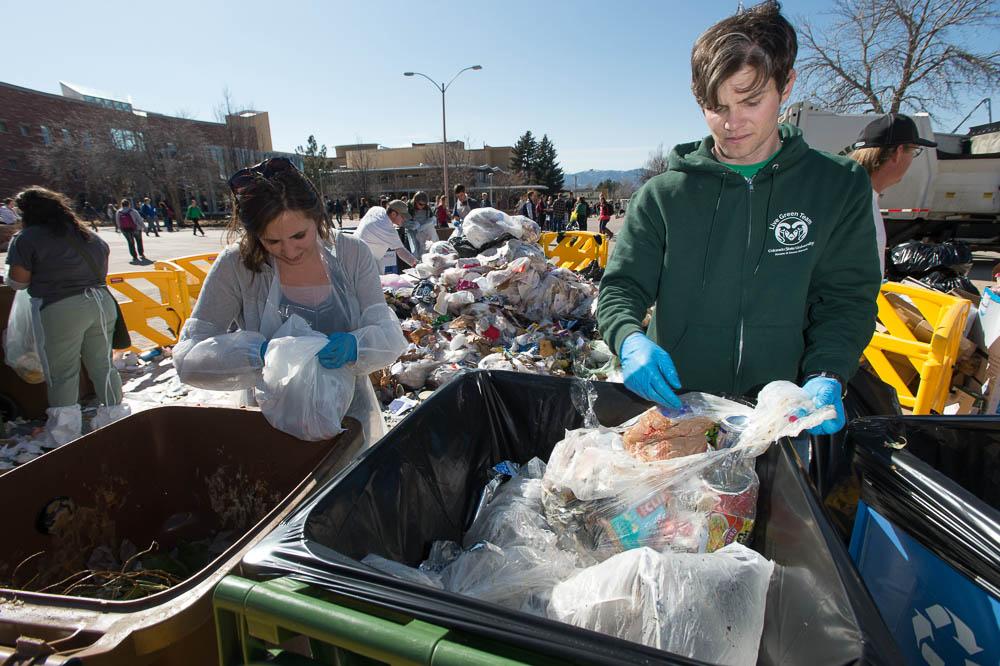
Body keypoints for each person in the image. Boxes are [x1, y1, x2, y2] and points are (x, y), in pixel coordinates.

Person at [597, 0, 880, 438]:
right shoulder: (663, 196)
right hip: (680, 410)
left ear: (786, 85)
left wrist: (827, 372)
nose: (732, 123)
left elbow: (846, 298)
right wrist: (629, 339)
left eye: (751, 100)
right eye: (716, 106)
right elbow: (621, 288)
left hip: (783, 416)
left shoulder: (838, 186)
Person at [173, 157, 407, 445]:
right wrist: (255, 354)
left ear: (317, 217)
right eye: (272, 241)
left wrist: (356, 346)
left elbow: (388, 335)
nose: (290, 251)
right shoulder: (236, 266)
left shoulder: (351, 255)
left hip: (348, 416)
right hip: (270, 422)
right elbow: (189, 357)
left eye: (299, 235)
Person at [5, 187, 129, 445]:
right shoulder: (89, 236)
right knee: (102, 365)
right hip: (101, 303)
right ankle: (115, 419)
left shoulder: (27, 238)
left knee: (62, 371)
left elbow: (18, 282)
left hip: (60, 307)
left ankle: (65, 433)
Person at [849, 113, 936, 276]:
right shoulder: (860, 206)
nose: (911, 160)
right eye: (914, 152)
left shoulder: (854, 196)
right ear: (898, 152)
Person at [355, 200, 419, 274]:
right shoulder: (388, 230)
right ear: (393, 214)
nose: (404, 219)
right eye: (402, 216)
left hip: (356, 253)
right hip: (364, 263)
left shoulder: (377, 209)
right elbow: (401, 252)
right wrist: (418, 265)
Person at [403, 191, 436, 257]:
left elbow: (432, 218)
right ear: (415, 201)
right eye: (420, 204)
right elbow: (402, 222)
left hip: (423, 232)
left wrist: (431, 222)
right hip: (411, 233)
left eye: (424, 204)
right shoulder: (408, 207)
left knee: (426, 250)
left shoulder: (427, 209)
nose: (422, 206)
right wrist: (412, 224)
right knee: (414, 251)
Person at [116, 199, 147, 263]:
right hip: (136, 229)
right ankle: (141, 253)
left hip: (125, 230)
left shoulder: (118, 212)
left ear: (121, 204)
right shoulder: (133, 211)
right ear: (129, 204)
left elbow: (118, 222)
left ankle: (134, 256)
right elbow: (139, 220)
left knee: (130, 243)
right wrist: (144, 227)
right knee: (139, 241)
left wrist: (120, 229)